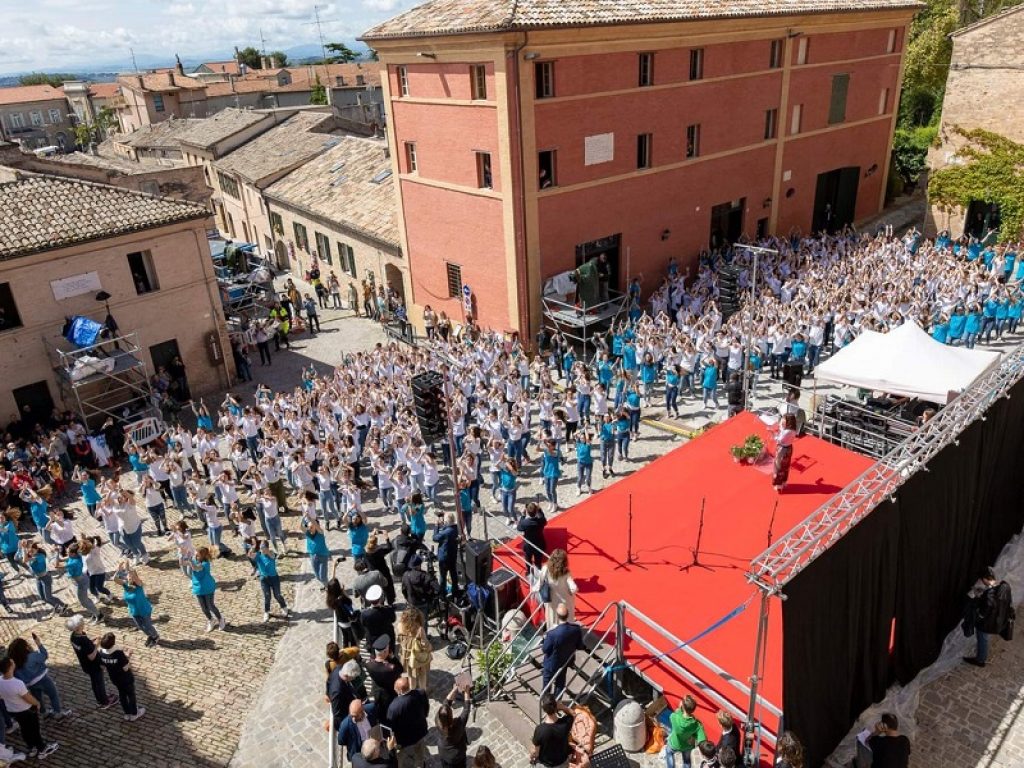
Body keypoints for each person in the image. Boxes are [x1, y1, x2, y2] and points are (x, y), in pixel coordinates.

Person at [0, 656, 57, 760]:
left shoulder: (0, 681)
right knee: (34, 728)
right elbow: (28, 698)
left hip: (13, 710)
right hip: (26, 710)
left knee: (24, 729)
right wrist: (37, 703)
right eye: (12, 662)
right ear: (10, 667)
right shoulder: (17, 683)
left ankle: (31, 747)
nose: (14, 663)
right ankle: (42, 748)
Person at [9, 634, 70, 719]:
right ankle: (58, 713)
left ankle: (43, 713)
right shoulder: (31, 656)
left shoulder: (14, 662)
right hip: (43, 679)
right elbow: (44, 656)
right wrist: (39, 644)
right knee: (53, 695)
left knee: (38, 698)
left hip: (30, 684)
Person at [964, 566, 1014, 667]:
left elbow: (983, 613)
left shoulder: (989, 595)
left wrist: (976, 611)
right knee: (985, 639)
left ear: (985, 579)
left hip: (988, 623)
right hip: (998, 620)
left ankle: (980, 660)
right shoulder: (1005, 586)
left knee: (983, 639)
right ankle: (981, 656)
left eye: (983, 580)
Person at [67, 615, 119, 710]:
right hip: (94, 666)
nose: (84, 623)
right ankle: (105, 702)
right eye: (82, 623)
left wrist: (92, 640)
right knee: (99, 683)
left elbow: (84, 647)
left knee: (95, 683)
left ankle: (100, 699)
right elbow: (91, 656)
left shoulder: (73, 637)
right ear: (79, 627)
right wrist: (97, 644)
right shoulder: (83, 640)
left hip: (85, 664)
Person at [98, 632, 145, 722]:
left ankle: (127, 713)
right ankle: (135, 713)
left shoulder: (101, 653)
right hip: (125, 678)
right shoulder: (118, 653)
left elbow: (102, 666)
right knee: (131, 695)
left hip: (114, 678)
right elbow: (125, 668)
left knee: (122, 694)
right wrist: (128, 656)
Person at [542, 603, 586, 698]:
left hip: (551, 663)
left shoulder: (552, 634)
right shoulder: (576, 629)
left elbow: (545, 649)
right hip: (565, 660)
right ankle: (558, 702)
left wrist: (545, 638)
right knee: (560, 682)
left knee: (547, 682)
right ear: (568, 615)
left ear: (557, 616)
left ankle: (547, 702)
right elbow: (579, 646)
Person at [386, 675, 429, 768]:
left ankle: (399, 766)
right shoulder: (421, 693)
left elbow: (391, 725)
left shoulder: (394, 707)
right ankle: (420, 765)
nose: (394, 690)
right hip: (419, 731)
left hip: (402, 738)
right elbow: (426, 708)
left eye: (395, 689)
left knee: (399, 755)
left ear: (400, 691)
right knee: (420, 751)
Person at [185, 547, 226, 632]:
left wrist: (189, 560)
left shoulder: (205, 564)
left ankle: (221, 619)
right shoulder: (194, 560)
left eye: (197, 554)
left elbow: (196, 568)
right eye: (195, 553)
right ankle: (211, 620)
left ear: (202, 555)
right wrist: (184, 555)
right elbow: (183, 564)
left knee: (210, 606)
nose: (195, 554)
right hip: (198, 588)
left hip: (207, 587)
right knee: (204, 608)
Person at [249, 540, 290, 623]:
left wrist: (266, 551)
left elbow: (272, 556)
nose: (261, 550)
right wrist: (253, 548)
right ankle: (266, 612)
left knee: (277, 595)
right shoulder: (258, 556)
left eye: (263, 548)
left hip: (274, 578)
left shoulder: (271, 554)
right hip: (264, 579)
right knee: (267, 596)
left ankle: (284, 607)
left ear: (267, 548)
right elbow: (249, 555)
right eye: (260, 548)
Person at [530, 693, 574, 768]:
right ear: (556, 706)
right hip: (562, 762)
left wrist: (531, 756)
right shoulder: (565, 723)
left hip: (546, 764)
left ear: (544, 709)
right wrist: (563, 707)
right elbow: (573, 714)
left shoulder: (540, 729)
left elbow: (535, 752)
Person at [436, 681, 473, 768]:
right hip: (457, 757)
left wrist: (454, 689)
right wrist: (467, 692)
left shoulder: (437, 720)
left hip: (443, 752)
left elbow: (446, 702)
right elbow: (466, 709)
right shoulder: (458, 725)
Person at [538, 548, 578, 627]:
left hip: (552, 601)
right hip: (566, 601)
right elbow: (574, 588)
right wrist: (570, 592)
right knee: (566, 622)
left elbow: (539, 583)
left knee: (553, 621)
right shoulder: (566, 572)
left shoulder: (545, 569)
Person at [365, 636, 404, 715]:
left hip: (377, 691)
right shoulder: (390, 668)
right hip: (389, 692)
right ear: (385, 652)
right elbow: (400, 669)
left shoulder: (368, 664)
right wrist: (393, 658)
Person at [395, 606, 432, 690]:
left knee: (411, 675)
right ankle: (423, 691)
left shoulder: (400, 626)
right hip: (417, 655)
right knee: (422, 674)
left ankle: (412, 691)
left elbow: (399, 640)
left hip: (406, 655)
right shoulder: (420, 629)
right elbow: (425, 645)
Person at [666, 695, 706, 768]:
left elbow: (673, 715)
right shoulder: (696, 724)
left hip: (675, 743)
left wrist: (679, 709)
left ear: (683, 706)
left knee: (669, 754)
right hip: (687, 746)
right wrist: (693, 737)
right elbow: (702, 739)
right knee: (687, 762)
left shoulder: (674, 717)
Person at [328, 659, 367, 732]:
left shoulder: (339, 668)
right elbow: (337, 714)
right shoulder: (337, 692)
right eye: (352, 678)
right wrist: (345, 729)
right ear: (346, 676)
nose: (353, 679)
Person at [338, 698, 379, 764]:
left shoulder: (371, 708)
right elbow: (341, 741)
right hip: (359, 752)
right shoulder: (345, 725)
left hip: (373, 746)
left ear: (362, 710)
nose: (353, 718)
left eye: (356, 716)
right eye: (352, 716)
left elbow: (377, 719)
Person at [360, 584, 397, 652]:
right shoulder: (388, 610)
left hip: (373, 641)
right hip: (387, 639)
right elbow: (393, 619)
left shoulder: (364, 614)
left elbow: (363, 624)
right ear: (381, 598)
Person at [432, 511, 460, 599]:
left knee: (443, 577)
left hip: (444, 558)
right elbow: (447, 528)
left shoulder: (446, 532)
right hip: (453, 555)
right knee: (453, 574)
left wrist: (436, 526)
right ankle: (455, 592)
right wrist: (443, 525)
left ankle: (442, 594)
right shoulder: (455, 528)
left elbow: (435, 538)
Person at [517, 502, 547, 572]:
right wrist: (540, 510)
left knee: (528, 560)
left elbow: (519, 528)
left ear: (527, 511)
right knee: (538, 562)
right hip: (539, 543)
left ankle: (529, 571)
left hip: (528, 545)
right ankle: (538, 573)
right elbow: (544, 519)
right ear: (536, 511)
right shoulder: (541, 520)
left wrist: (523, 516)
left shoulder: (524, 523)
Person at [771, 413, 797, 492]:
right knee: (786, 465)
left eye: (784, 419)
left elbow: (779, 439)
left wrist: (772, 434)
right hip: (789, 448)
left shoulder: (787, 432)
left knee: (779, 466)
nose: (782, 420)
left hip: (782, 449)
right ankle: (784, 481)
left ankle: (779, 485)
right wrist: (781, 426)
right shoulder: (792, 430)